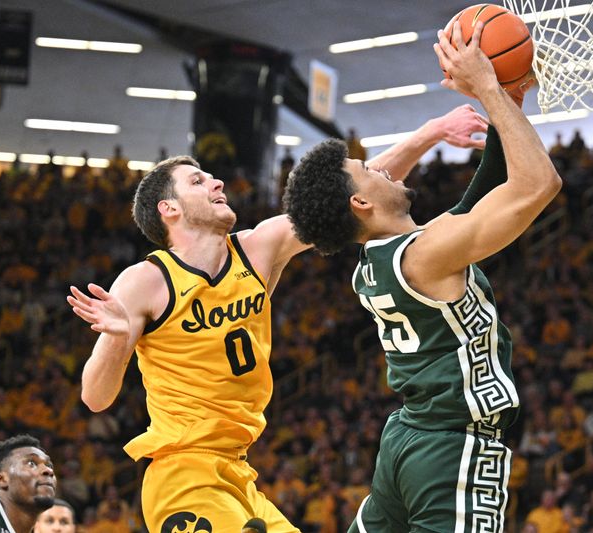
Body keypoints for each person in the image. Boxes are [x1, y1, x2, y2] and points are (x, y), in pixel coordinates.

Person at [66, 93, 488, 530]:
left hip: (240, 474)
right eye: (197, 181)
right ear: (168, 210)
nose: (216, 183)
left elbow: (350, 193)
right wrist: (117, 340)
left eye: (212, 177)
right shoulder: (146, 281)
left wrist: (431, 133)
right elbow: (96, 399)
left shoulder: (258, 248)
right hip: (182, 476)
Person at [283, 19, 561, 532]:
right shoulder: (423, 256)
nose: (386, 169)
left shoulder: (386, 259)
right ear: (361, 202)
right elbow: (539, 183)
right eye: (368, 170)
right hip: (449, 446)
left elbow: (480, 198)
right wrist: (488, 89)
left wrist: (507, 98)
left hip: (407, 441)